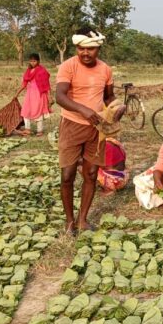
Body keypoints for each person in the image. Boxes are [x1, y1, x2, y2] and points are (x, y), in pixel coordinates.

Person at [55, 27, 122, 234]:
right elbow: (60, 96)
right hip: (72, 125)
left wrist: (118, 106)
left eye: (91, 49)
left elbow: (108, 97)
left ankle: (82, 219)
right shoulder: (68, 67)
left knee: (91, 174)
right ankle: (69, 221)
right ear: (77, 48)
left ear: (98, 48)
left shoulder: (105, 69)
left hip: (97, 127)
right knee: (67, 175)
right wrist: (83, 109)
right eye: (81, 49)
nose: (86, 53)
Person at [16, 53, 52, 136]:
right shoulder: (28, 71)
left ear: (38, 61)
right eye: (31, 61)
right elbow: (24, 84)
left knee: (38, 112)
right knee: (25, 111)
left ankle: (40, 131)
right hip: (29, 94)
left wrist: (49, 96)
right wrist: (17, 93)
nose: (33, 63)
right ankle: (27, 129)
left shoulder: (42, 71)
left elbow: (47, 85)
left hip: (39, 94)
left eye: (34, 61)